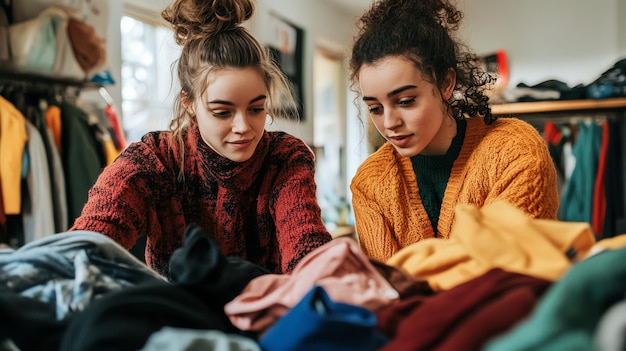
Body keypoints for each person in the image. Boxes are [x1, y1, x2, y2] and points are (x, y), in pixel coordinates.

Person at [70, 0, 332, 277]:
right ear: (189, 102)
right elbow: (88, 244)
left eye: (256, 109)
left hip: (272, 316)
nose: (244, 126)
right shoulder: (153, 160)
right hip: (180, 318)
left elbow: (307, 247)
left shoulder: (285, 158)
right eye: (222, 112)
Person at [348, 0, 559, 262]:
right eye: (375, 108)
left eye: (405, 102)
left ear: (446, 83)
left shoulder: (515, 152)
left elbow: (505, 273)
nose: (389, 123)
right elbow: (388, 292)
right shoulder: (370, 183)